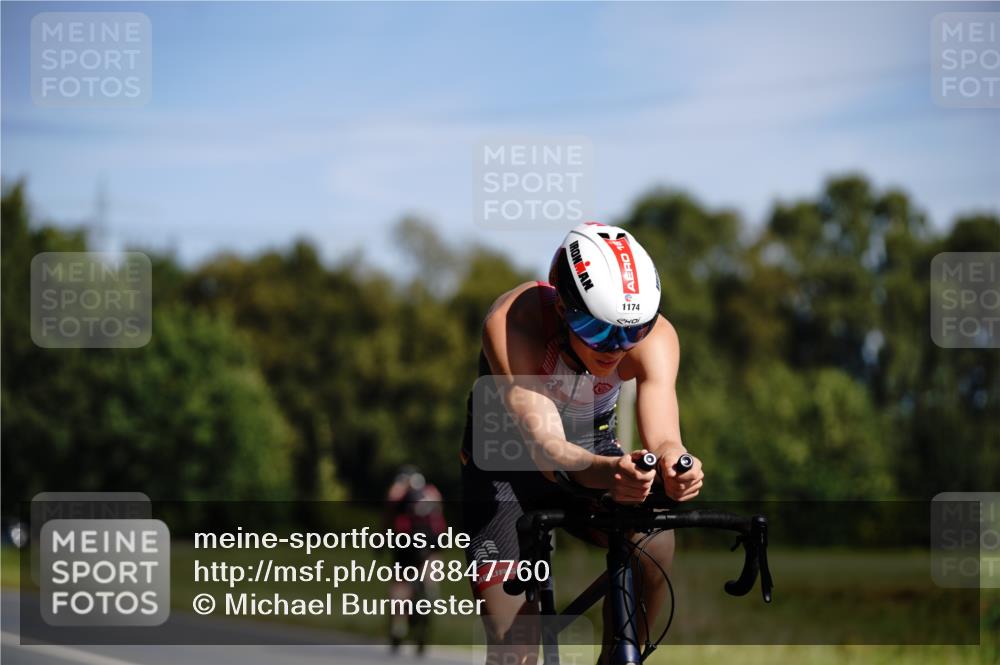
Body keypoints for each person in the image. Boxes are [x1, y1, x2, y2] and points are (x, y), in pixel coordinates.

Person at [460, 222, 705, 665]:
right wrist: (612, 473)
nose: (615, 347)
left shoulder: (656, 339)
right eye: (598, 329)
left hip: (592, 445)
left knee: (655, 542)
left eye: (631, 331)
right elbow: (547, 448)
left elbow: (666, 436)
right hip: (504, 465)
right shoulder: (515, 321)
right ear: (563, 306)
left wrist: (676, 463)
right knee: (515, 646)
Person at [384, 465, 447, 656]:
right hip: (430, 545)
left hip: (405, 544)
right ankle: (430, 591)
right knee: (430, 572)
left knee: (401, 583)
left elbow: (389, 512)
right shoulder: (431, 492)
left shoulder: (398, 491)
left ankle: (398, 624)